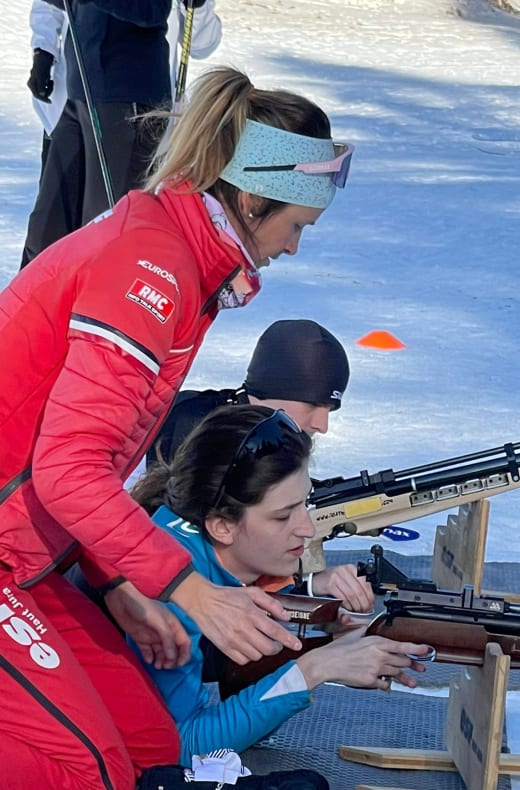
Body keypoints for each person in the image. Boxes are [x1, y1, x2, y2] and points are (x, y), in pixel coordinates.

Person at [0, 65, 352, 789]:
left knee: (150, 748)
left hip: (29, 552)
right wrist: (188, 589)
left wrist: (119, 585)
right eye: (296, 226)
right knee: (87, 772)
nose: (293, 247)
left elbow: (78, 462)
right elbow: (68, 469)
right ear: (251, 198)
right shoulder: (152, 272)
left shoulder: (177, 254)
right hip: (9, 553)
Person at [130, 404, 430, 764]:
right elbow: (179, 750)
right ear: (222, 526)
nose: (306, 528)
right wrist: (316, 668)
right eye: (283, 516)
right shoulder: (172, 596)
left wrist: (327, 634)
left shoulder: (189, 546)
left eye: (304, 503)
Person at [21, 0, 220, 268]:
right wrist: (43, 51)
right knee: (47, 231)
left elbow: (179, 28)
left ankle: (100, 294)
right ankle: (31, 295)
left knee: (103, 229)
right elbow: (50, 7)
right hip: (78, 94)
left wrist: (201, 6)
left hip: (129, 100)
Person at [147, 318, 351, 468]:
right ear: (272, 389)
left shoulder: (279, 440)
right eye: (312, 404)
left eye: (329, 409)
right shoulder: (194, 427)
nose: (322, 426)